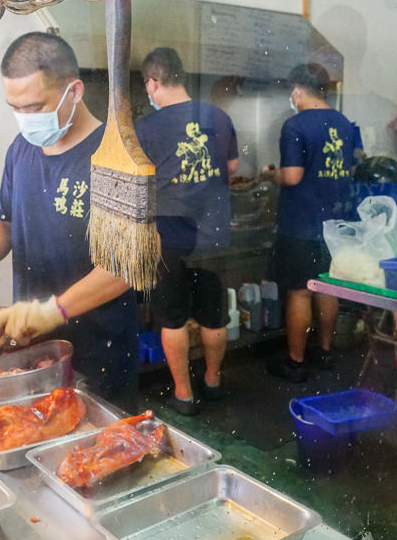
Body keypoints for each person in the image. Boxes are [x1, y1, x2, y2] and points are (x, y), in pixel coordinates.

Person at [0, 32, 140, 411]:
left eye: (35, 107)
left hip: (97, 356)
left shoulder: (117, 157)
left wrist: (51, 311)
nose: (25, 119)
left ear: (75, 91)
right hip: (31, 348)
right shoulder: (21, 149)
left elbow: (122, 268)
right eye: (15, 108)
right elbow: (1, 219)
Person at [134, 47, 239, 415]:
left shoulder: (146, 127)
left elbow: (138, 183)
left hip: (168, 237)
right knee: (214, 315)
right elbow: (233, 165)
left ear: (152, 82)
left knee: (172, 318)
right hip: (212, 235)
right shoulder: (218, 116)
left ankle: (184, 395)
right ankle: (212, 382)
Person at [263, 63, 360, 382]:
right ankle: (326, 351)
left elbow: (292, 176)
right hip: (335, 222)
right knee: (326, 287)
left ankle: (295, 362)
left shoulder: (295, 126)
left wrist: (269, 174)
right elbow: (354, 163)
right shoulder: (345, 123)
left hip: (301, 223)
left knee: (300, 292)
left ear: (297, 90)